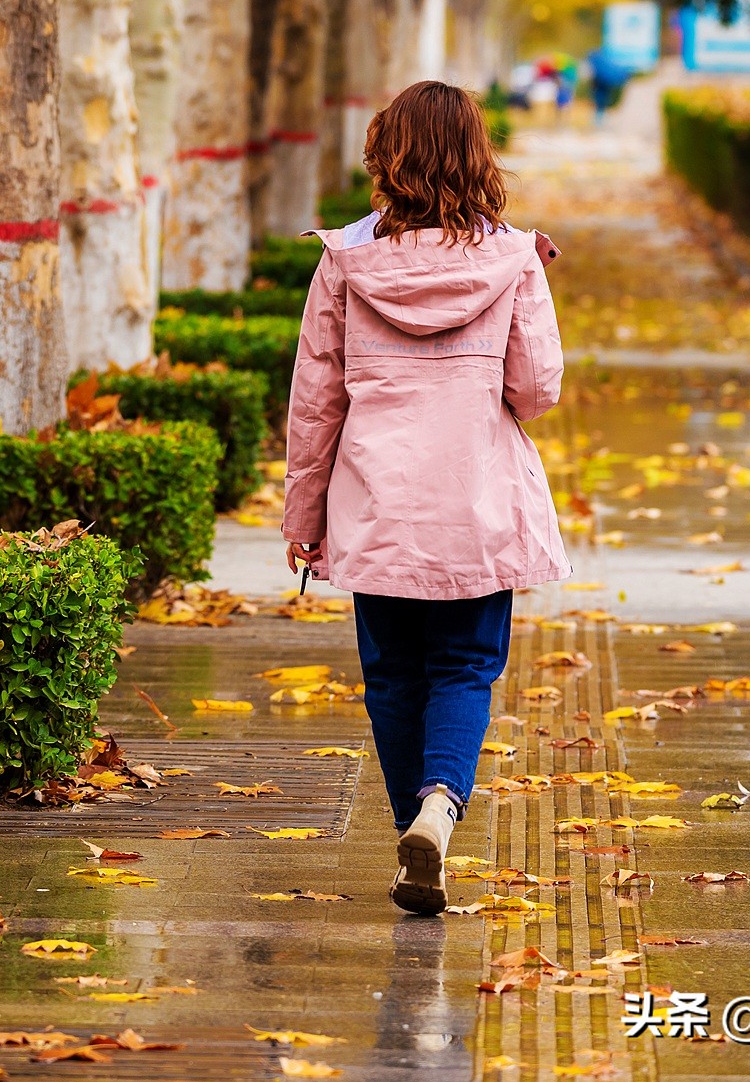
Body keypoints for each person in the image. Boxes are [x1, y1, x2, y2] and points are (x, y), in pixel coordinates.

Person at [282, 80, 567, 917]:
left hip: (378, 501)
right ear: (479, 158)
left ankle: (414, 823)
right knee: (466, 666)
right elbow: (537, 388)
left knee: (392, 673)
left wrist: (304, 519)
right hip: (475, 501)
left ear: (385, 156)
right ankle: (439, 811)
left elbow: (315, 401)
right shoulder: (513, 258)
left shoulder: (344, 261)